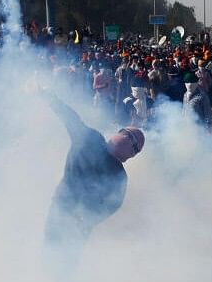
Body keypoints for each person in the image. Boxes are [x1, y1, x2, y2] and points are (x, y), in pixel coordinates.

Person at [42, 89, 145, 274]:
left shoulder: (119, 175)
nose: (130, 143)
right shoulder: (92, 139)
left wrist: (87, 220)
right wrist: (47, 95)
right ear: (118, 133)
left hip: (79, 224)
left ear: (132, 155)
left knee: (65, 265)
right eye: (128, 136)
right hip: (60, 209)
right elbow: (69, 117)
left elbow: (113, 205)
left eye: (135, 146)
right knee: (50, 257)